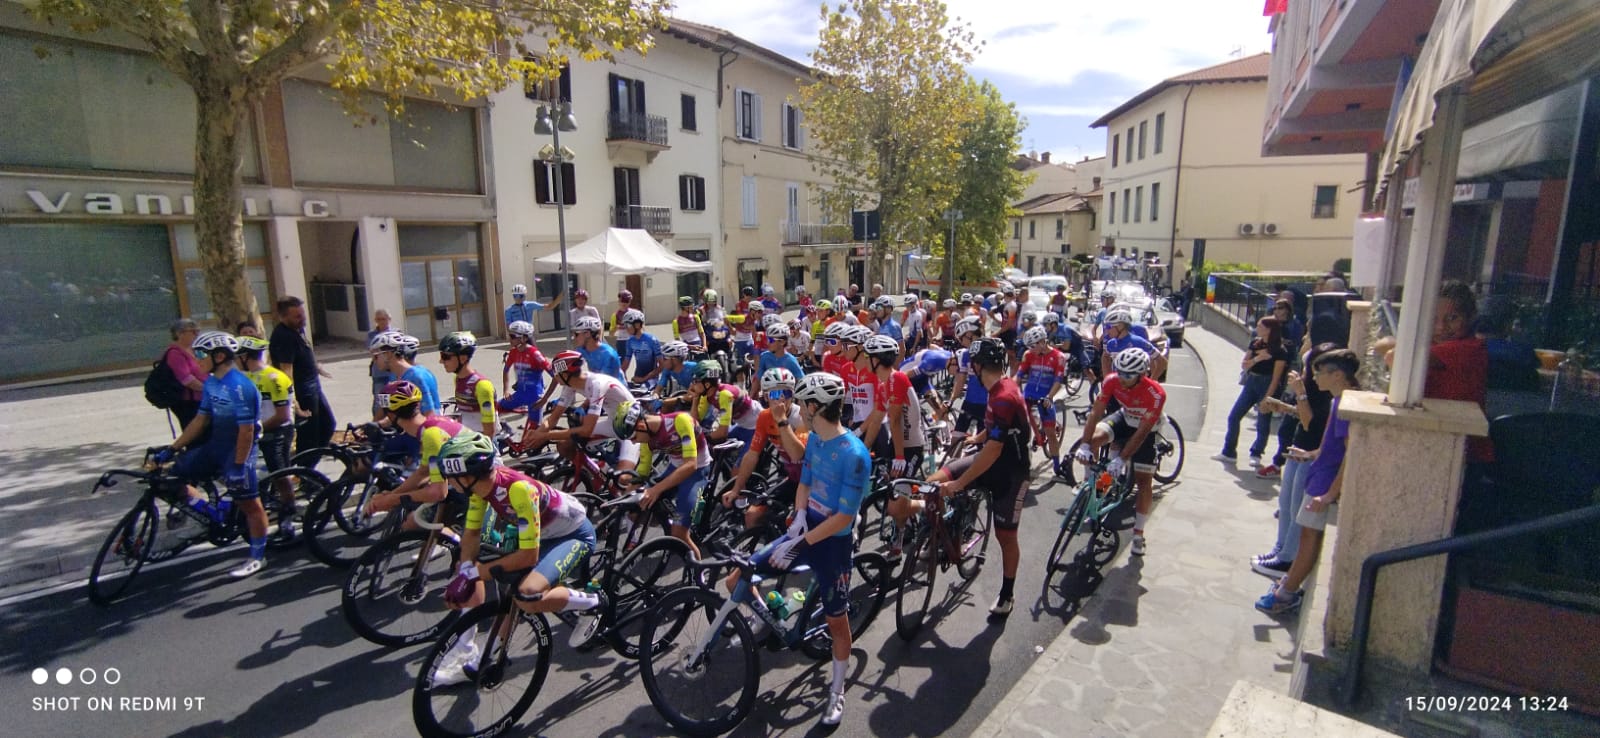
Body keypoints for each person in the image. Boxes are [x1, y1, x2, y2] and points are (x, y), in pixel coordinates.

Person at [721, 371, 868, 727]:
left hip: (833, 542)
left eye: (803, 402)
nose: (799, 408)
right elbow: (805, 481)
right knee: (736, 578)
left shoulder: (855, 455)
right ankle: (768, 618)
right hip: (807, 528)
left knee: (837, 623)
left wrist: (802, 540)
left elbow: (844, 517)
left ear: (816, 406)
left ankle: (837, 691)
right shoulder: (816, 438)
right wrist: (799, 516)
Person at [435, 431, 601, 683]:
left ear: (467, 476)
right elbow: (471, 534)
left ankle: (592, 603)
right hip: (544, 534)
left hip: (574, 534)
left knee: (528, 594)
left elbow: (527, 557)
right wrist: (466, 570)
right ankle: (483, 659)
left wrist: (475, 574)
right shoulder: (479, 490)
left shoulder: (518, 490)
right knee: (509, 591)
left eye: (450, 477)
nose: (449, 483)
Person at [892, 337, 1031, 615]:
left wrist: (958, 483)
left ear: (977, 366)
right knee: (931, 483)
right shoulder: (998, 386)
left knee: (1006, 536)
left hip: (1010, 472)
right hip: (988, 458)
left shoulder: (1004, 396)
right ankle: (942, 531)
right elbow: (998, 427)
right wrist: (976, 437)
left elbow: (993, 450)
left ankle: (1007, 594)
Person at [1256, 349, 1360, 615]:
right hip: (1317, 474)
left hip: (1322, 484)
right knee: (1306, 535)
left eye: (1319, 372)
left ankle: (1286, 593)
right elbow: (1330, 447)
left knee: (1307, 539)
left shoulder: (1344, 406)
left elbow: (1351, 453)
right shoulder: (1340, 401)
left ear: (1337, 375)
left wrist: (1330, 494)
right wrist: (1310, 454)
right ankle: (1288, 585)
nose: (1314, 378)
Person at [161, 331, 268, 578]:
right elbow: (201, 420)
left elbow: (246, 430)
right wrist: (173, 448)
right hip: (216, 445)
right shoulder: (211, 383)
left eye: (200, 354)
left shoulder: (240, 387)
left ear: (219, 356)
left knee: (250, 505)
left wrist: (239, 466)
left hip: (239, 449)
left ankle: (257, 557)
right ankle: (214, 513)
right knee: (171, 477)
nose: (195, 358)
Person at [1252, 341, 1338, 579]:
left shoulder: (1325, 394)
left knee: (1296, 509)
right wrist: (1284, 407)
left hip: (1309, 456)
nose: (1309, 373)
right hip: (1297, 449)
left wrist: (1299, 392)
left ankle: (1287, 558)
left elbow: (1311, 423)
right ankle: (1280, 549)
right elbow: (1303, 416)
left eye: (1312, 367)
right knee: (1286, 505)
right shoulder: (1313, 387)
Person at [1076, 348, 1167, 557]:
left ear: (1142, 374)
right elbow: (1095, 413)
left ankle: (1138, 534)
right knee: (1094, 440)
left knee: (1144, 482)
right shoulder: (1112, 380)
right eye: (1120, 372)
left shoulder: (1156, 394)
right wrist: (1085, 445)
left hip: (1146, 429)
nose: (1122, 378)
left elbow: (1142, 433)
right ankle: (1093, 491)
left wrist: (1123, 459)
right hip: (1125, 418)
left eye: (1128, 375)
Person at [363, 380, 466, 528]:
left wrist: (393, 500)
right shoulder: (431, 425)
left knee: (412, 524)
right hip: (469, 481)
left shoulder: (431, 436)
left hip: (479, 487)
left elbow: (438, 492)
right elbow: (423, 472)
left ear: (391, 415)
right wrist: (391, 495)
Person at [615, 400, 711, 557]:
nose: (633, 442)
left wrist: (656, 490)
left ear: (641, 425)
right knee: (636, 509)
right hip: (675, 468)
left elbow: (691, 465)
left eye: (633, 437)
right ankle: (673, 519)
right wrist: (627, 496)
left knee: (679, 534)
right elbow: (643, 472)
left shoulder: (680, 421)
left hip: (697, 472)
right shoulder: (647, 440)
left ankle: (698, 570)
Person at [722, 368, 809, 529]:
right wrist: (736, 489)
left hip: (812, 481)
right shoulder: (764, 417)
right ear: (766, 396)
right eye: (774, 394)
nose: (781, 400)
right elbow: (752, 455)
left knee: (797, 525)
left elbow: (797, 455)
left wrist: (782, 421)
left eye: (786, 393)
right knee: (752, 515)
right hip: (793, 477)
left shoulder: (801, 418)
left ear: (793, 395)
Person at [529, 351, 640, 472]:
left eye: (556, 375)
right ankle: (589, 475)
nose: (554, 378)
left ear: (565, 375)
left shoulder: (597, 384)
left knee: (623, 479)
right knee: (564, 446)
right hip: (613, 423)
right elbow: (553, 418)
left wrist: (545, 435)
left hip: (631, 427)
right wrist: (535, 435)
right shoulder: (570, 385)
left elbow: (587, 429)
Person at [1212, 316, 1288, 466]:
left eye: (1260, 326)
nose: (1257, 328)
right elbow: (1244, 364)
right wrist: (1258, 358)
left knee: (1263, 421)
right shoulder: (1255, 343)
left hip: (1267, 383)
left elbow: (1276, 377)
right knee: (1234, 416)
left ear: (1269, 330)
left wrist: (1268, 397)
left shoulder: (1280, 350)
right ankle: (1229, 451)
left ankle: (1256, 453)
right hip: (1252, 381)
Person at [238, 336, 299, 517]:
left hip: (278, 431)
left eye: (235, 357)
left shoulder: (274, 378)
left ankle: (289, 513)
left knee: (279, 474)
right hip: (257, 430)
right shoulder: (245, 376)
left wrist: (257, 428)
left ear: (244, 356)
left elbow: (282, 416)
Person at [269, 296, 335, 452]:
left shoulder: (298, 329)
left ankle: (313, 459)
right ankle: (306, 464)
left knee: (327, 424)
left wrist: (315, 367)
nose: (302, 319)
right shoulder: (284, 336)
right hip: (303, 391)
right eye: (297, 316)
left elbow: (302, 354)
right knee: (309, 434)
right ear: (283, 317)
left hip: (314, 386)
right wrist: (293, 400)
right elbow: (286, 371)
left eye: (303, 314)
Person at [860, 334, 925, 479]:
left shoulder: (897, 378)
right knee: (884, 485)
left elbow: (895, 420)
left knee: (900, 490)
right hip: (896, 445)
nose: (864, 360)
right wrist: (863, 450)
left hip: (912, 447)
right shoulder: (882, 385)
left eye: (866, 356)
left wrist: (900, 457)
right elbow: (876, 421)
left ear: (875, 360)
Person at [1017, 326, 1068, 473]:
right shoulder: (1028, 354)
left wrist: (1049, 397)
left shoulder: (1059, 357)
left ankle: (1057, 466)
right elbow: (1019, 375)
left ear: (1042, 342)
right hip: (1028, 394)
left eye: (1032, 346)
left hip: (1045, 396)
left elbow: (1058, 381)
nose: (1030, 349)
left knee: (1050, 433)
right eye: (1029, 347)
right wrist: (1014, 389)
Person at [440, 332, 497, 437]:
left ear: (463, 358)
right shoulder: (457, 379)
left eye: (445, 357)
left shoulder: (482, 386)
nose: (441, 361)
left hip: (482, 441)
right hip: (467, 437)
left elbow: (490, 430)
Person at [498, 321, 550, 423]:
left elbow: (556, 376)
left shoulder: (535, 354)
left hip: (534, 397)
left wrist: (544, 399)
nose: (509, 339)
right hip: (520, 394)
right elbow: (506, 370)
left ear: (524, 338)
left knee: (534, 430)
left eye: (512, 336)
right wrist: (505, 390)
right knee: (495, 407)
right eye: (509, 335)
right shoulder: (513, 352)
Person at [162, 319, 207, 430]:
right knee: (195, 432)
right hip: (188, 402)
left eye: (198, 331)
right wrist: (208, 389)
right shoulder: (175, 353)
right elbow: (186, 379)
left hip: (202, 398)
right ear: (179, 334)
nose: (197, 334)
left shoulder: (196, 350)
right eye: (193, 331)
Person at [752, 323, 805, 395]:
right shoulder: (764, 357)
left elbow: (802, 382)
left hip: (785, 397)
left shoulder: (791, 361)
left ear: (782, 342)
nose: (767, 343)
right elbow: (757, 379)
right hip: (769, 396)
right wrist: (750, 397)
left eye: (771, 340)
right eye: (767, 339)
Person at [571, 315, 624, 382]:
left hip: (610, 386)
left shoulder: (609, 355)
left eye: (576, 334)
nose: (573, 337)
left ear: (587, 334)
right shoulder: (582, 349)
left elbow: (604, 383)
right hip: (596, 384)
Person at [367, 311, 396, 421]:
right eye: (378, 319)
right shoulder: (371, 335)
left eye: (383, 319)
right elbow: (373, 350)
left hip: (393, 373)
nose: (381, 322)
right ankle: (377, 423)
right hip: (379, 374)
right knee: (379, 402)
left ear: (389, 319)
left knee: (394, 399)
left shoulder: (395, 333)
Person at [620, 310, 663, 384]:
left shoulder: (652, 340)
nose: (626, 328)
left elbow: (662, 366)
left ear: (637, 325)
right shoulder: (630, 341)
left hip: (651, 379)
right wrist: (620, 375)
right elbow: (626, 363)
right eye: (625, 325)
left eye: (628, 325)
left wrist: (643, 379)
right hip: (638, 377)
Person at [607, 289, 636, 354]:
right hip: (621, 342)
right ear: (619, 301)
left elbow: (639, 330)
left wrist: (628, 327)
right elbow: (611, 334)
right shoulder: (615, 315)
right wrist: (616, 328)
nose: (624, 303)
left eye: (626, 301)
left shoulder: (634, 314)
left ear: (630, 302)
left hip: (632, 341)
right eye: (622, 300)